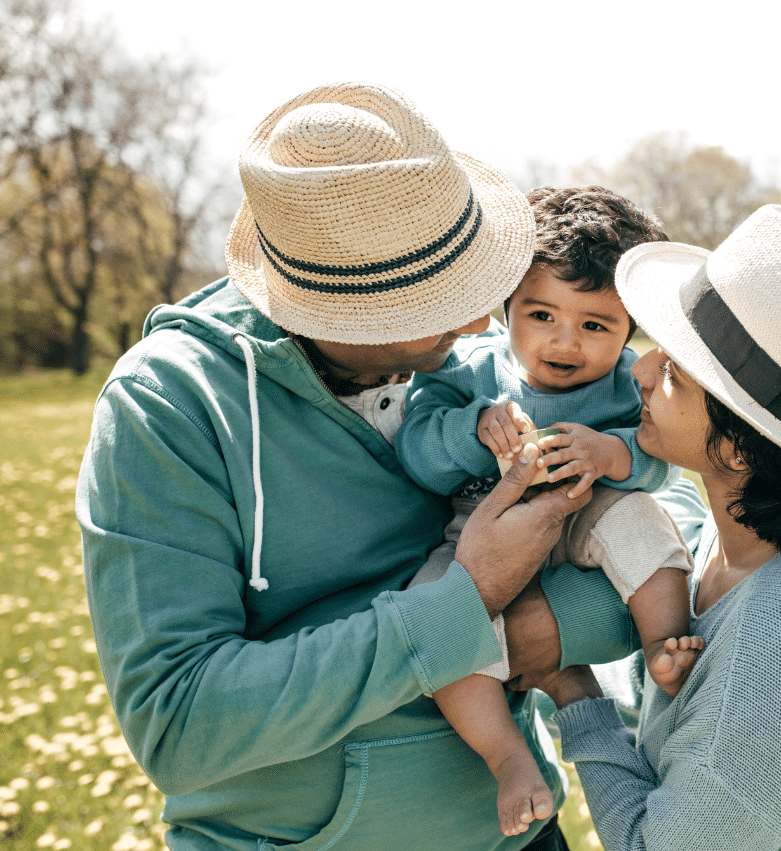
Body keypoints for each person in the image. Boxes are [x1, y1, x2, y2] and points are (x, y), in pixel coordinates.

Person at [75, 82, 703, 851]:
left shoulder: (477, 363)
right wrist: (465, 601)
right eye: (449, 297)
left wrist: (541, 629)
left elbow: (678, 533)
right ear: (347, 313)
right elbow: (179, 724)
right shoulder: (169, 406)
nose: (484, 318)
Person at [519, 204, 781, 849]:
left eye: (674, 372)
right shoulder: (756, 532)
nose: (640, 371)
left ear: (741, 449)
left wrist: (573, 693)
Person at [395, 186, 696, 837]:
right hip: (478, 534)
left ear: (627, 331)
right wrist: (473, 429)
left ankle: (664, 645)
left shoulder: (623, 384)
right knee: (435, 620)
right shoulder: (467, 371)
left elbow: (656, 462)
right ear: (507, 308)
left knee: (646, 523)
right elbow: (418, 451)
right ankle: (509, 758)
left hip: (585, 522)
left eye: (595, 325)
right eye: (542, 315)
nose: (566, 341)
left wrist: (611, 453)